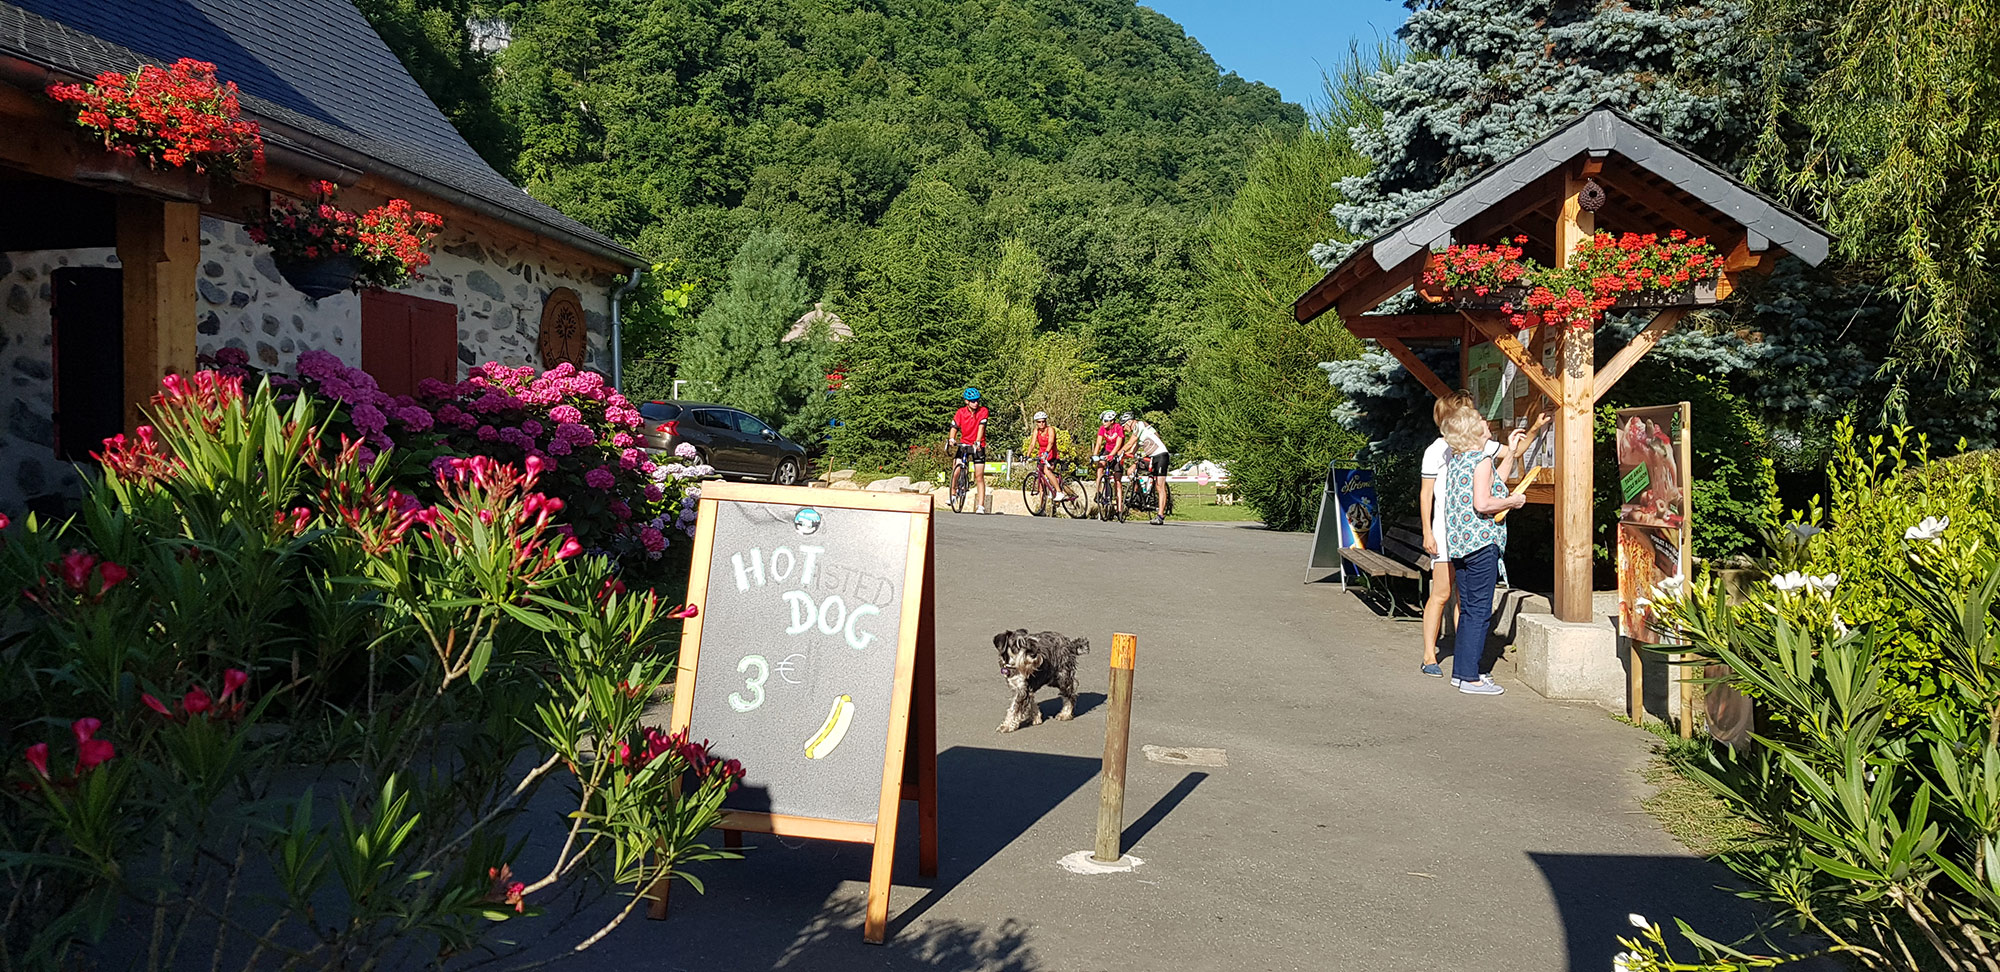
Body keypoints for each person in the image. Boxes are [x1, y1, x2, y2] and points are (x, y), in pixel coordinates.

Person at [1439, 406, 1529, 696]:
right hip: (1481, 544)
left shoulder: (1461, 459)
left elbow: (1493, 483)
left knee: (1468, 610)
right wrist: (1513, 502)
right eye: (1480, 419)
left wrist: (1511, 452)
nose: (1485, 421)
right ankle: (1470, 678)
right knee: (1478, 611)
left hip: (1461, 545)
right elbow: (1483, 502)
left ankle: (1463, 671)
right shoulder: (1480, 460)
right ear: (1472, 430)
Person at [1418, 391, 1485, 678]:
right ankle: (1429, 654)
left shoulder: (1472, 448)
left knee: (1464, 597)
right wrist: (1427, 532)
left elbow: (1508, 453)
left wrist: (1534, 430)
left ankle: (1465, 658)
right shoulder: (1436, 450)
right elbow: (1426, 494)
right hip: (1444, 533)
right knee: (1442, 593)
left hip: (1467, 532)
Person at [1120, 412, 1171, 525]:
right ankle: (1138, 496)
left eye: (1124, 426)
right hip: (1151, 457)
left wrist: (1118, 453)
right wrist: (1120, 457)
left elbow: (1129, 444)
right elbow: (1131, 452)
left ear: (1129, 422)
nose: (1124, 430)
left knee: (1160, 486)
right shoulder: (1140, 435)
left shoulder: (1139, 425)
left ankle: (1160, 516)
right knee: (1131, 470)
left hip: (1161, 456)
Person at [948, 388, 990, 513]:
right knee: (956, 468)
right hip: (964, 444)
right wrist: (951, 438)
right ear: (967, 401)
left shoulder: (983, 411)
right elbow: (954, 427)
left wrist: (978, 441)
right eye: (972, 401)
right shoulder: (961, 412)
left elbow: (981, 427)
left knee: (979, 476)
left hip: (978, 445)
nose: (975, 403)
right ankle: (953, 493)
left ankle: (981, 506)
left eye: (977, 400)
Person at [1094, 409, 1126, 515]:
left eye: (1106, 421)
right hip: (1107, 450)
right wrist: (1095, 455)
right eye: (1103, 421)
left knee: (1117, 481)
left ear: (1112, 421)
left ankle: (1119, 509)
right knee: (1100, 467)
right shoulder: (1102, 428)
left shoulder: (1119, 428)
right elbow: (1098, 443)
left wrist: (1112, 455)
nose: (1103, 423)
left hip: (1117, 452)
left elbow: (1118, 444)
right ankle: (1098, 492)